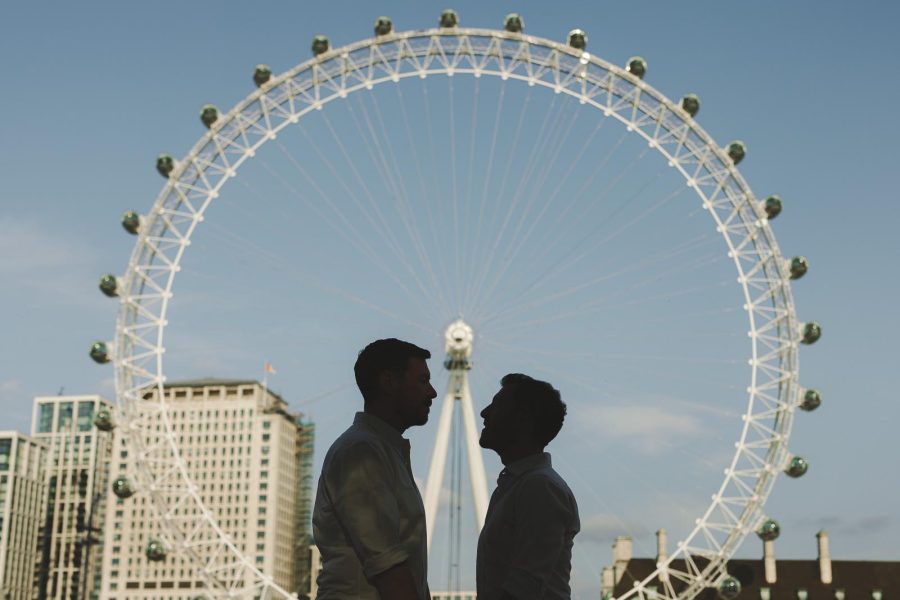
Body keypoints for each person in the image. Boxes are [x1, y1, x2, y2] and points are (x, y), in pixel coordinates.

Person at [312, 338, 437, 600]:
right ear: (389, 382)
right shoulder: (361, 453)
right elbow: (388, 567)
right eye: (422, 381)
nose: (433, 392)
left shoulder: (385, 452)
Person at [476, 373, 580, 600]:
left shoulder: (540, 488)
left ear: (523, 419)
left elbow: (524, 587)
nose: (484, 413)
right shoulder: (517, 486)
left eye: (497, 406)